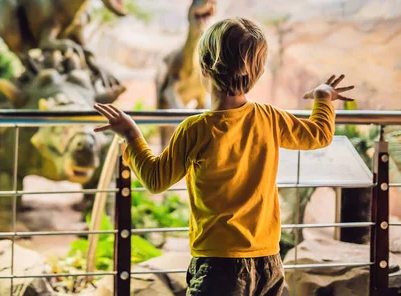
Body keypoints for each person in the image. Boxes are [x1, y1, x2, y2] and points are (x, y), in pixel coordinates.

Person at [93, 17, 354, 295]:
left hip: (218, 265)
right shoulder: (269, 117)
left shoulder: (195, 129)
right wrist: (323, 98)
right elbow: (318, 134)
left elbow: (156, 180)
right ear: (257, 72)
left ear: (204, 68)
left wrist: (132, 135)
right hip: (268, 262)